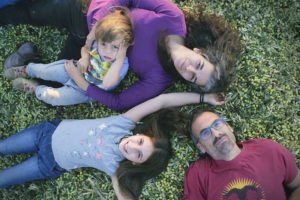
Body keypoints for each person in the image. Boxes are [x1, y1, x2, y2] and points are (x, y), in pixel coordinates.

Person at [1, 0, 241, 110]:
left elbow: (120, 103)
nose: (187, 68)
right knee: (31, 11)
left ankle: (27, 60)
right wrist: (95, 32)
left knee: (53, 86)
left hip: (94, 57)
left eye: (191, 77)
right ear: (199, 52)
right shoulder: (173, 18)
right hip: (88, 16)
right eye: (198, 65)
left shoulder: (160, 78)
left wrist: (82, 82)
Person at [0, 92, 224, 199]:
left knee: (3, 180)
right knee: (2, 147)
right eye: (139, 143)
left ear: (135, 164)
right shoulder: (124, 123)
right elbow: (162, 101)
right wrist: (203, 98)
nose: (131, 147)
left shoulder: (114, 166)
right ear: (142, 134)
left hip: (47, 164)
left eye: (137, 155)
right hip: (46, 132)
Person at [4, 8, 134, 106]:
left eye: (115, 47)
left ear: (124, 47)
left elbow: (107, 82)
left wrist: (121, 57)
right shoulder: (97, 45)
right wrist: (84, 57)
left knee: (53, 98)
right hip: (73, 69)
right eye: (103, 44)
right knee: (45, 71)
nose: (107, 51)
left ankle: (34, 88)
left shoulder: (121, 64)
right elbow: (86, 48)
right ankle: (26, 70)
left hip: (84, 92)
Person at [183, 111, 300, 200]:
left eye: (217, 124)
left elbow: (298, 185)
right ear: (201, 147)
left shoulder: (269, 150)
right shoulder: (198, 174)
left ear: (229, 127)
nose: (216, 133)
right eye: (205, 133)